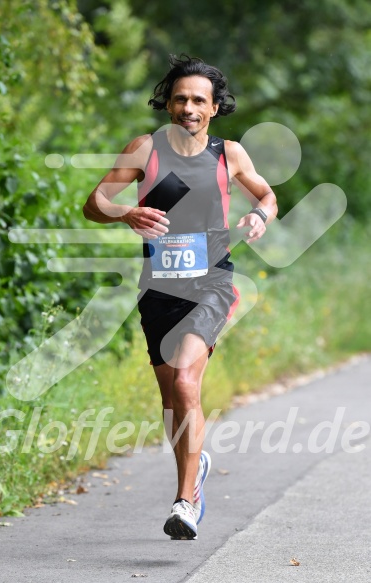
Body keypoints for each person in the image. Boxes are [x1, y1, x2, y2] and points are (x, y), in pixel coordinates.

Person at [83, 54, 278, 540]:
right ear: (167, 105)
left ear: (213, 108)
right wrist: (127, 215)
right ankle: (197, 469)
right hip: (159, 288)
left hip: (211, 283)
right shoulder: (144, 149)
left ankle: (185, 501)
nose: (188, 107)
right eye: (179, 98)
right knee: (172, 400)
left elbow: (267, 196)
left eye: (198, 100)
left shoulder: (228, 153)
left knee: (187, 382)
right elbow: (95, 203)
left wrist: (259, 217)